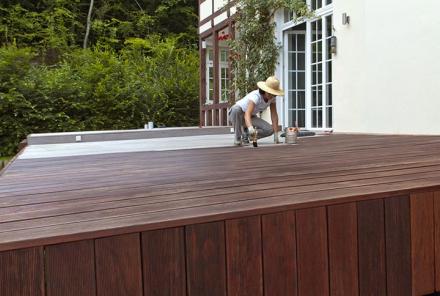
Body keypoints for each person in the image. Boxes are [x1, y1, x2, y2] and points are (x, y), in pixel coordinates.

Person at [228, 76, 284, 146]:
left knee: (269, 130)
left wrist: (276, 135)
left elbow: (274, 115)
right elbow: (247, 114)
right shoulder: (256, 96)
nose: (271, 96)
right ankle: (238, 139)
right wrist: (250, 128)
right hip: (237, 115)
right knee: (236, 109)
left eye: (273, 94)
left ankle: (247, 135)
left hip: (251, 117)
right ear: (264, 90)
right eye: (269, 93)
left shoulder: (272, 99)